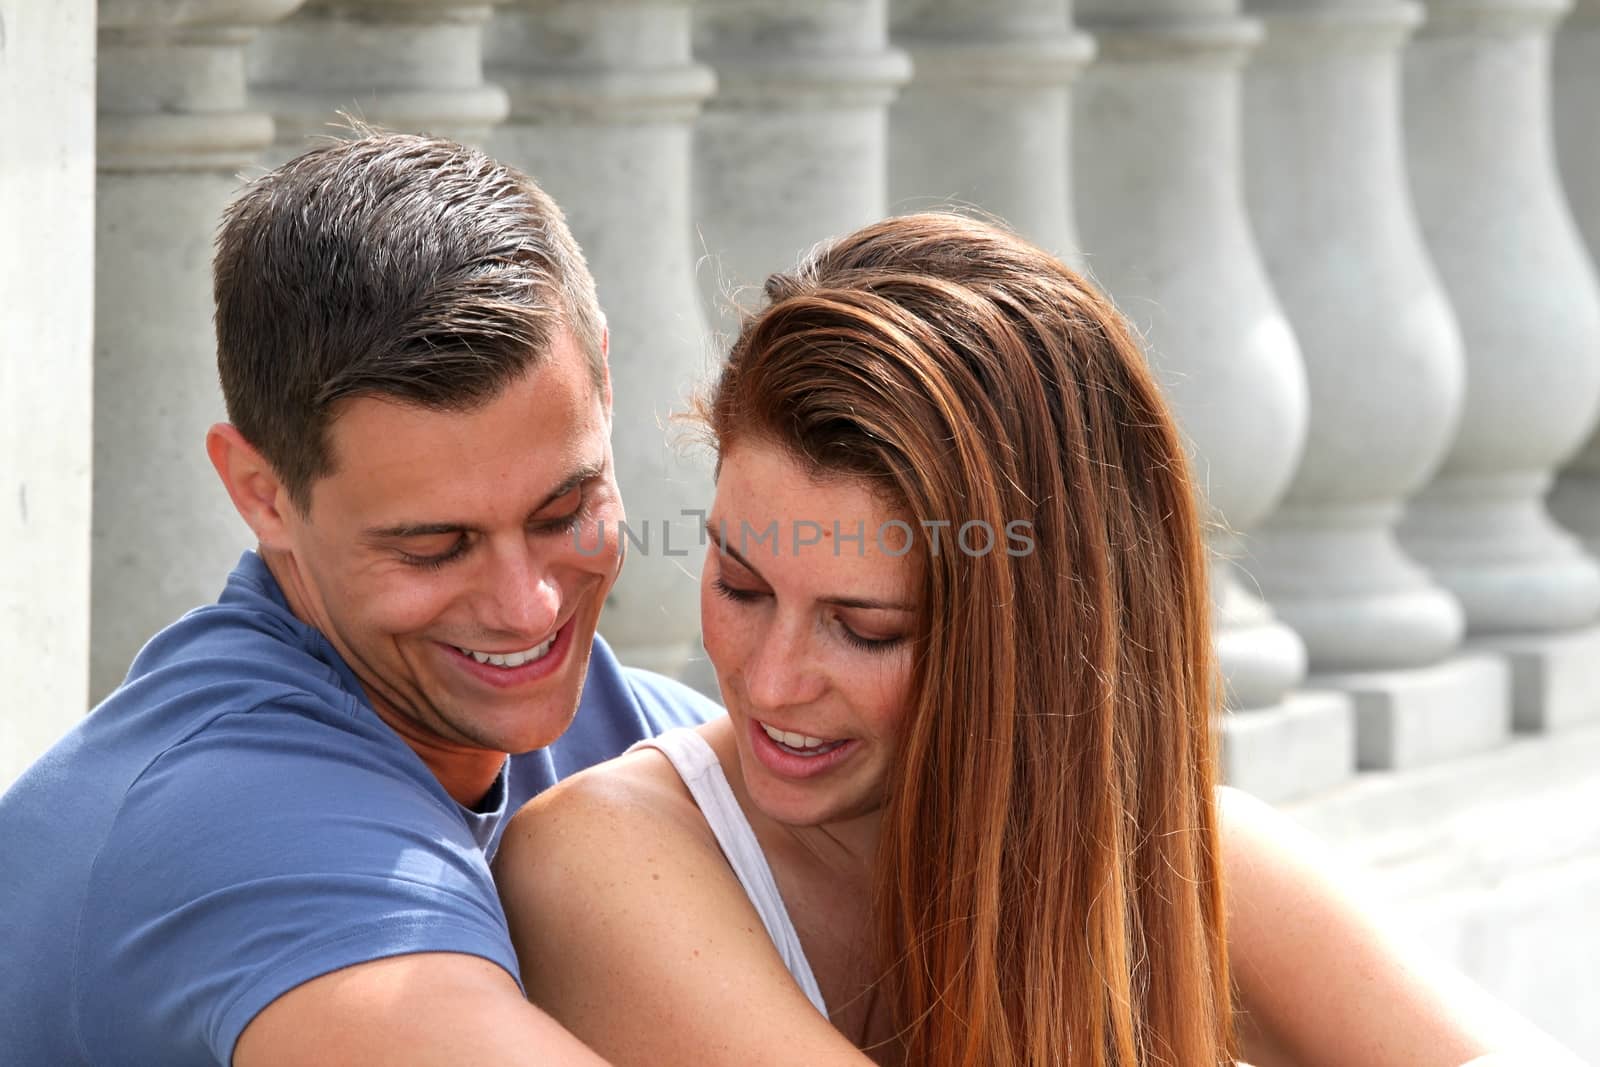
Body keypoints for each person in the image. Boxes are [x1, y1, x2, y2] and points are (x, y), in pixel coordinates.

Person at [494, 213, 1584, 1067]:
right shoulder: (604, 857)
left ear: (1034, 641)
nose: (771, 678)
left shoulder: (1178, 851)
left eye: (865, 628)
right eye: (738, 583)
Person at [0, 133, 717, 1065]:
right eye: (433, 547)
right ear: (262, 494)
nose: (528, 605)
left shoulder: (635, 733)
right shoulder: (234, 822)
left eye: (564, 509)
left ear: (605, 383)